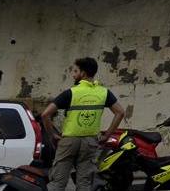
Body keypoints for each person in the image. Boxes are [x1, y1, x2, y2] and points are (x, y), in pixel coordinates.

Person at [43, 57, 127, 191]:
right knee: (84, 184)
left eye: (75, 71)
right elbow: (120, 112)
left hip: (69, 141)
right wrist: (107, 135)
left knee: (57, 183)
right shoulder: (104, 92)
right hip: (90, 141)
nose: (73, 74)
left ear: (83, 73)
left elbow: (45, 114)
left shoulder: (71, 92)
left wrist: (52, 134)